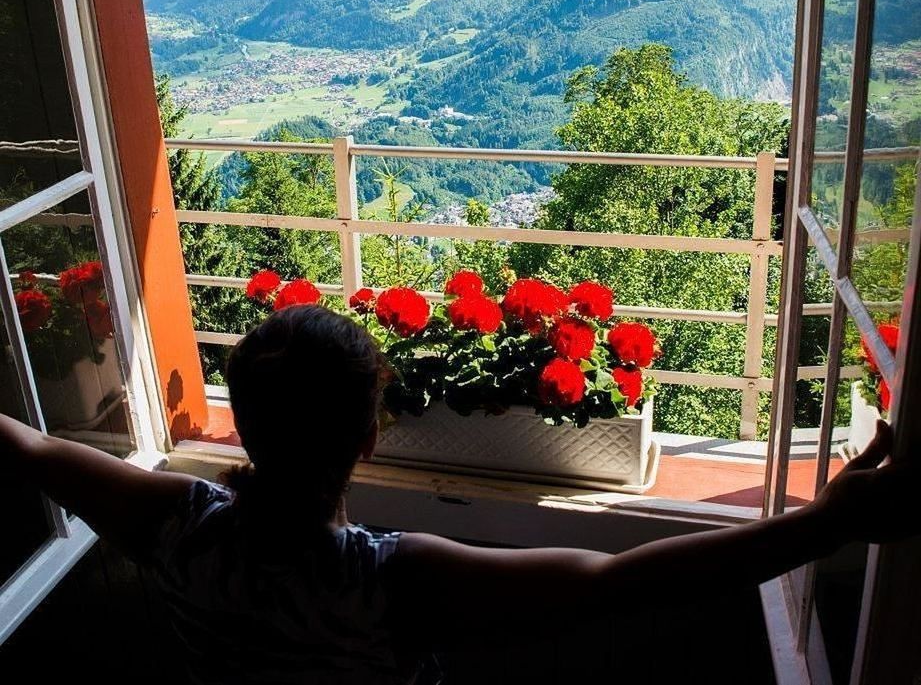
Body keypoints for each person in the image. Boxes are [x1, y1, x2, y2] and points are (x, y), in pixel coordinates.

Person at [1, 304, 918, 684]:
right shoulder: (394, 582)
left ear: (243, 426)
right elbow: (623, 581)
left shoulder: (173, 527)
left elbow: (36, 446)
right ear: (366, 440)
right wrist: (818, 527)